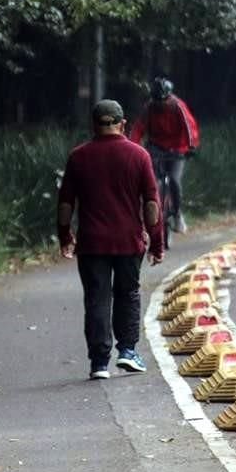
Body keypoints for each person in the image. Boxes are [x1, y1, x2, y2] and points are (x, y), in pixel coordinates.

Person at [57, 99, 165, 380]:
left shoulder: (78, 157)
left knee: (96, 297)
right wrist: (157, 241)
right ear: (123, 124)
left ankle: (99, 362)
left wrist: (64, 234)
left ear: (93, 125)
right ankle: (127, 351)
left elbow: (66, 202)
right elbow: (152, 204)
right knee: (127, 293)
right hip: (128, 241)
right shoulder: (139, 155)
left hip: (91, 243)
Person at [129, 75, 200, 234]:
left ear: (169, 97)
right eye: (157, 101)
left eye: (163, 101)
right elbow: (138, 128)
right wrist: (131, 147)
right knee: (151, 182)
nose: (161, 105)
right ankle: (149, 217)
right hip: (156, 147)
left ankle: (177, 214)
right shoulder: (149, 108)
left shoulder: (177, 106)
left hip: (178, 148)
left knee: (174, 179)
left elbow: (190, 127)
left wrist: (191, 146)